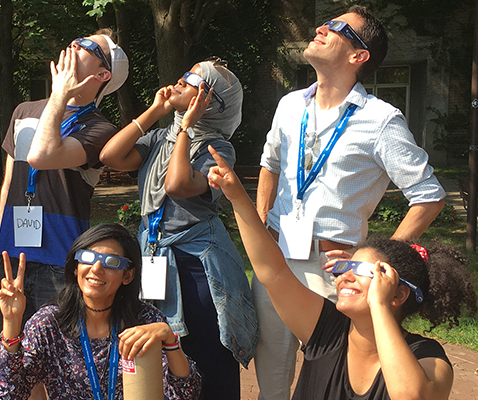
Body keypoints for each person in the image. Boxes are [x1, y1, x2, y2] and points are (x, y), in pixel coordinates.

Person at [254, 5, 446, 399]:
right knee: (270, 381)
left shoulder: (381, 120)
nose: (321, 27)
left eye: (337, 27)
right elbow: (268, 165)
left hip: (333, 271)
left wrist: (373, 260)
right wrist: (260, 227)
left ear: (359, 56)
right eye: (324, 23)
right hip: (276, 259)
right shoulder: (290, 105)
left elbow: (429, 196)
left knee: (330, 377)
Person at [206, 146, 477, 400]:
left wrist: (379, 307)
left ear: (399, 293)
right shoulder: (326, 330)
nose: (344, 275)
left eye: (360, 269)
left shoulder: (428, 357)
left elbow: (410, 395)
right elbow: (273, 272)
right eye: (346, 266)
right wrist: (237, 197)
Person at [99, 59, 257, 399]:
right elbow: (110, 155)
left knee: (206, 355)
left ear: (210, 102)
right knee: (162, 361)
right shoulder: (159, 137)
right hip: (155, 255)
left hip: (198, 266)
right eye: (182, 75)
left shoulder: (217, 147)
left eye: (192, 81)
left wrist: (186, 128)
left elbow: (177, 184)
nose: (180, 82)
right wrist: (155, 110)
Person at [0, 30, 129, 338]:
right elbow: (9, 183)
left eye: (89, 46)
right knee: (11, 352)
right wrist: (1, 246)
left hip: (60, 262)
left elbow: (43, 155)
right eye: (77, 38)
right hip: (11, 257)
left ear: (103, 73)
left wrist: (59, 95)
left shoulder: (100, 128)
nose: (75, 43)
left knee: (55, 366)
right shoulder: (24, 111)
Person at [0, 223, 201, 399]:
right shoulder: (49, 323)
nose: (96, 268)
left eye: (111, 262)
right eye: (87, 257)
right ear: (75, 267)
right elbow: (10, 393)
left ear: (127, 276)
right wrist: (11, 323)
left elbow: (185, 393)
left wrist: (170, 341)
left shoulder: (145, 320)